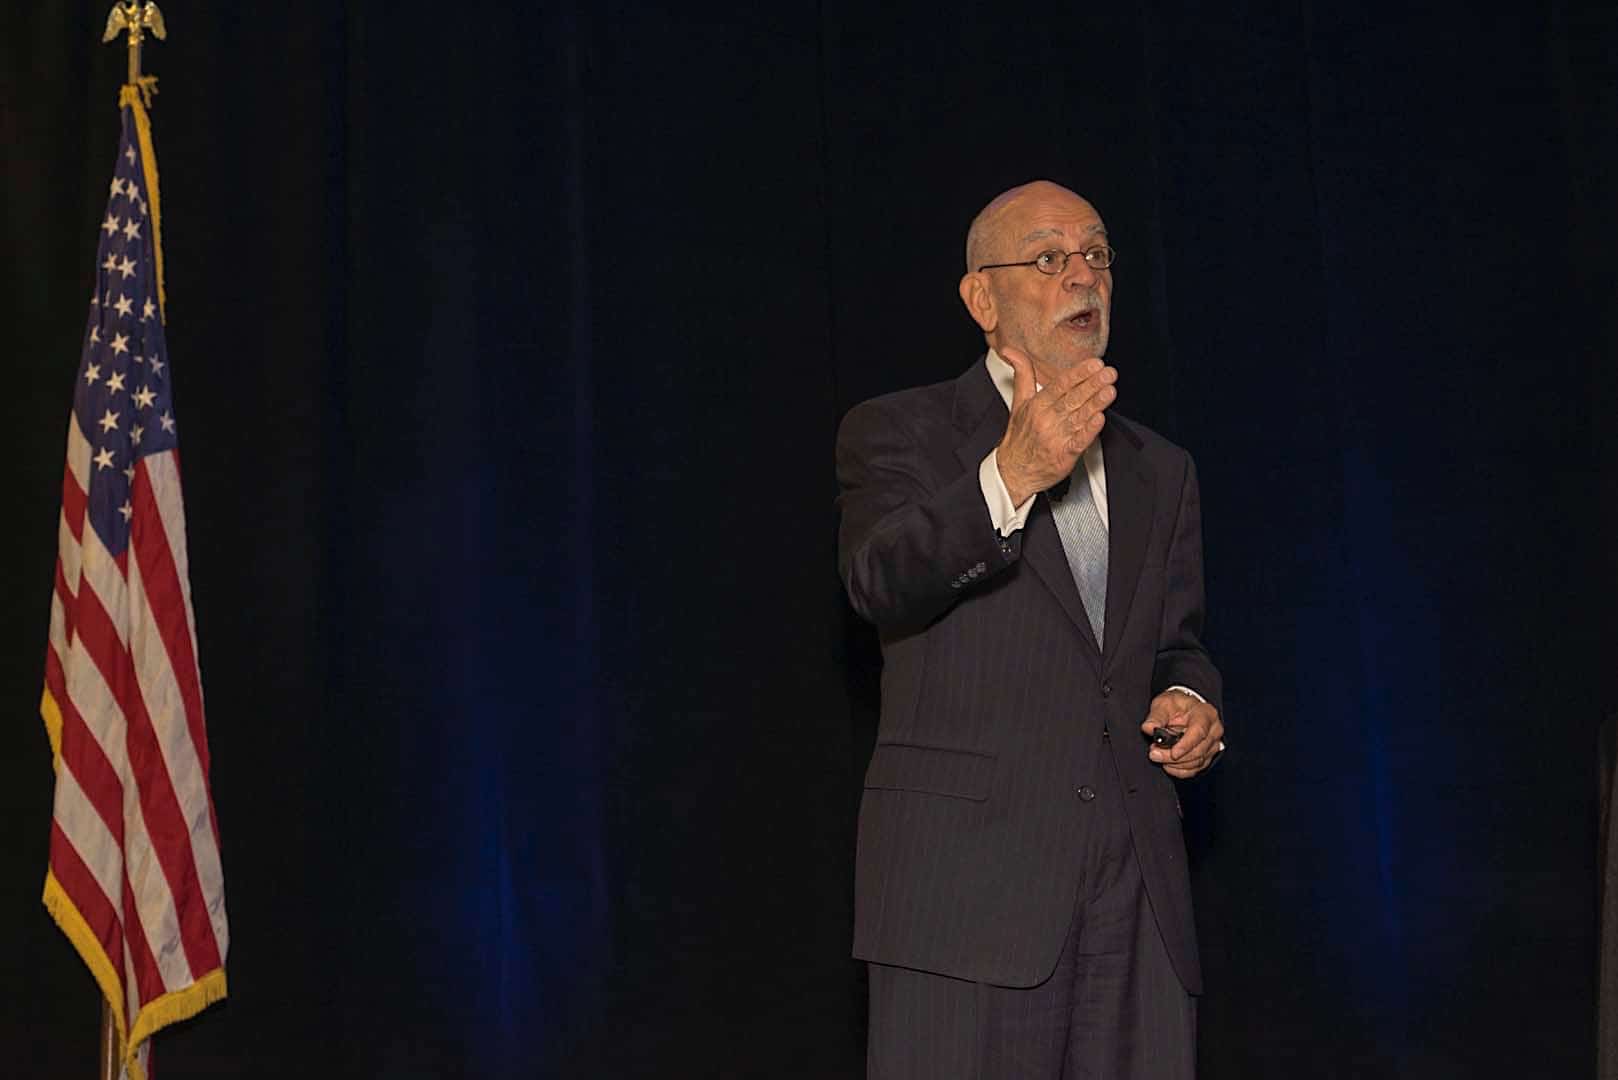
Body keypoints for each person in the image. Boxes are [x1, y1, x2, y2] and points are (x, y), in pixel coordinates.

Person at [835, 180, 1226, 1079]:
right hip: (964, 899)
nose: (1082, 276)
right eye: (1049, 257)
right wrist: (1010, 476)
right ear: (982, 298)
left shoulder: (1160, 467)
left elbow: (1175, 641)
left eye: (1097, 255)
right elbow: (878, 581)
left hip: (1138, 898)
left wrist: (1190, 696)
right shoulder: (901, 430)